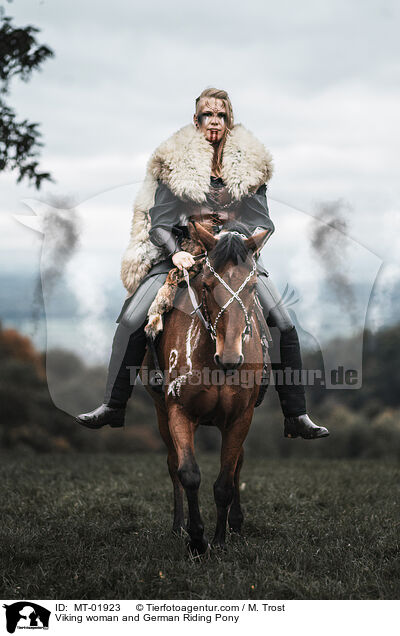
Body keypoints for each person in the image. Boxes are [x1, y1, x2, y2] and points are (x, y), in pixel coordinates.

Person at [76, 87, 329, 440]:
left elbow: (264, 223)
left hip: (235, 259)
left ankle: (296, 414)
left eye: (221, 115)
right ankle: (113, 405)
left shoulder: (250, 169)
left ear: (229, 122)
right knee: (132, 318)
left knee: (284, 324)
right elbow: (160, 224)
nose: (214, 121)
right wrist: (174, 251)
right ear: (196, 121)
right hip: (182, 255)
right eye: (207, 115)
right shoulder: (173, 166)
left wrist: (240, 241)